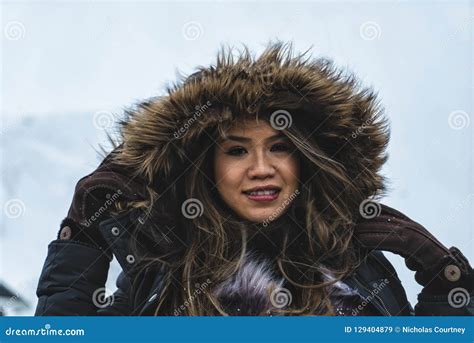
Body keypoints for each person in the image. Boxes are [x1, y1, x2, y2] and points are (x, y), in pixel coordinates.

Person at [35, 43, 473, 316]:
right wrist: (85, 237)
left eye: (280, 147)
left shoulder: (359, 271)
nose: (262, 167)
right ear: (205, 166)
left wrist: (443, 274)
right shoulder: (165, 274)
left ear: (307, 159)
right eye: (237, 150)